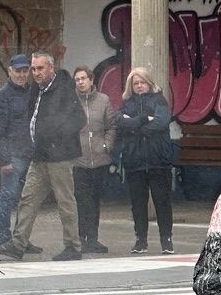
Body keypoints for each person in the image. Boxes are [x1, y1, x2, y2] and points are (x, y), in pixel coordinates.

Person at [7, 52, 86, 260]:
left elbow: (79, 119)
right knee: (28, 199)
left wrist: (55, 137)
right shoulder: (36, 89)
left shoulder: (64, 88)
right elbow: (32, 118)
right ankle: (18, 244)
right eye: (33, 69)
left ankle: (73, 246)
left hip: (59, 155)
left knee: (65, 201)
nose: (36, 73)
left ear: (51, 68)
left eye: (40, 68)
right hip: (39, 154)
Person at [113, 66, 179, 254]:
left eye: (142, 82)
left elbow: (161, 123)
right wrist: (143, 119)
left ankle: (166, 240)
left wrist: (134, 125)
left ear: (149, 83)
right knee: (138, 204)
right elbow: (120, 123)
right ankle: (140, 240)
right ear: (131, 86)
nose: (139, 86)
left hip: (159, 160)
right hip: (134, 161)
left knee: (162, 202)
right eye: (136, 83)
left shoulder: (160, 100)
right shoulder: (126, 103)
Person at [0, 55, 35, 256]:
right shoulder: (2, 96)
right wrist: (4, 159)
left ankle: (20, 239)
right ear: (10, 71)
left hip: (29, 153)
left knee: (26, 199)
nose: (22, 74)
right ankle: (5, 239)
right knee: (7, 197)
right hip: (13, 156)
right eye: (18, 71)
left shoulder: (32, 92)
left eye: (25, 71)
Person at [72, 66, 114, 256]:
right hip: (78, 160)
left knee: (95, 201)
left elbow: (111, 126)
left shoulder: (103, 100)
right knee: (81, 200)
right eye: (77, 79)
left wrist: (106, 146)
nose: (80, 82)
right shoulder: (71, 101)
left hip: (99, 159)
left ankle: (93, 238)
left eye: (83, 78)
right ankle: (80, 238)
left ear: (91, 80)